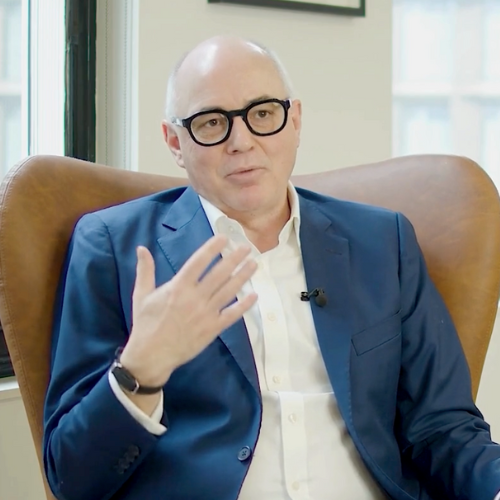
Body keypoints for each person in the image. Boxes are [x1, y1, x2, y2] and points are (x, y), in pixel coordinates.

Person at [43, 36, 500, 500]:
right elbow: (72, 480)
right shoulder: (113, 247)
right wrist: (140, 370)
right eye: (211, 122)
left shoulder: (383, 242)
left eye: (263, 113)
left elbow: (443, 430)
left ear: (294, 120)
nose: (241, 142)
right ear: (175, 142)